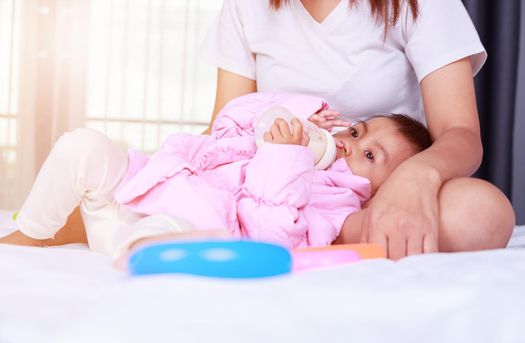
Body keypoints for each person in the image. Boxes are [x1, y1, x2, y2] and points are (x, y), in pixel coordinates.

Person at [200, 0, 515, 259]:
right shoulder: (245, 8)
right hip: (269, 182)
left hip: (377, 197)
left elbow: (459, 132)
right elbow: (225, 126)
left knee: (482, 211)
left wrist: (414, 178)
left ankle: (321, 231)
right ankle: (296, 229)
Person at [1, 93, 430, 258]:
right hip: (134, 198)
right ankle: (31, 234)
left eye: (370, 155)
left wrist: (285, 159)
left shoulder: (336, 203)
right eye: (357, 131)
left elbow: (272, 237)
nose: (350, 144)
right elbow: (228, 121)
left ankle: (146, 262)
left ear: (380, 191)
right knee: (84, 145)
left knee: (178, 231)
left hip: (169, 230)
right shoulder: (301, 135)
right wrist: (296, 111)